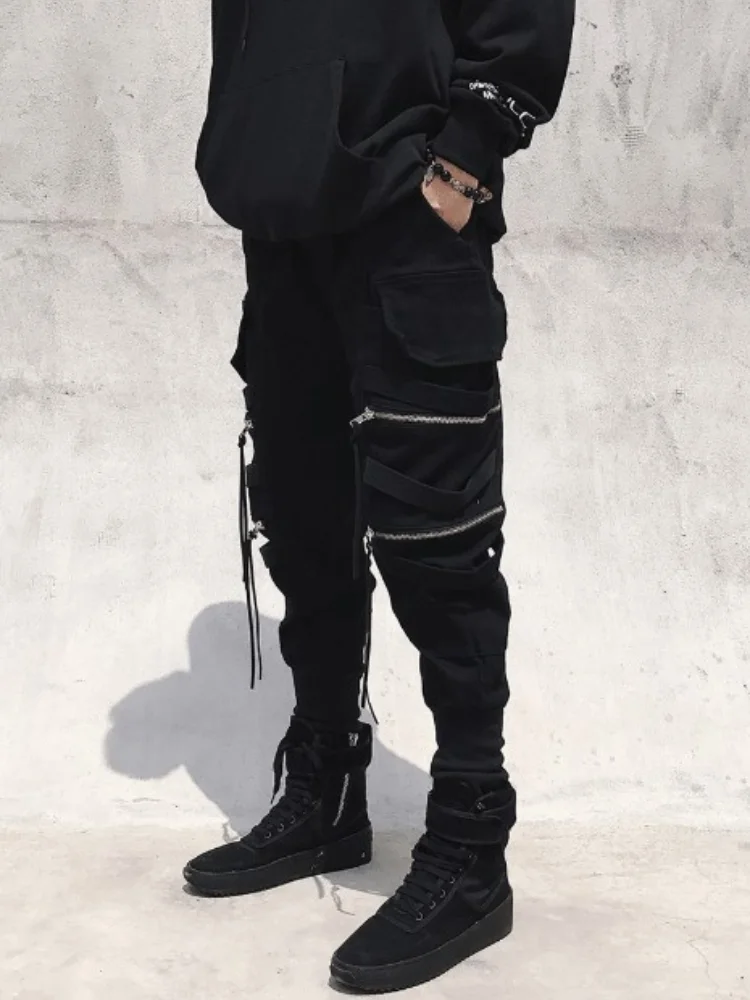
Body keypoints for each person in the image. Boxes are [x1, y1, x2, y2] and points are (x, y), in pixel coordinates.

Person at [184, 0, 575, 991]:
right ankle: (326, 790)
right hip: (284, 226)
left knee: (438, 539)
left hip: (409, 216)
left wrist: (467, 154)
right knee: (301, 520)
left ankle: (471, 844)